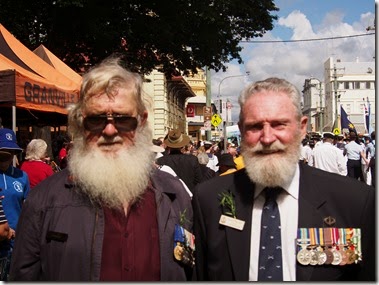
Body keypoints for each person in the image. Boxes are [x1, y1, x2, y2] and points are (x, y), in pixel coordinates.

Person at [10, 56, 193, 281]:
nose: (109, 131)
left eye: (123, 119)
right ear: (80, 123)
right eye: (96, 120)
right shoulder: (43, 202)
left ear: (141, 121)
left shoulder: (175, 195)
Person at [192, 77, 375, 281]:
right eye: (255, 127)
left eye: (279, 125)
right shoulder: (209, 199)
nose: (267, 138)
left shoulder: (355, 201)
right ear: (242, 131)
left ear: (302, 127)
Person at [0, 128, 30, 281]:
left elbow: (27, 206)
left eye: (11, 151)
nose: (7, 156)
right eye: (3, 151)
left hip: (17, 242)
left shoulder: (22, 176)